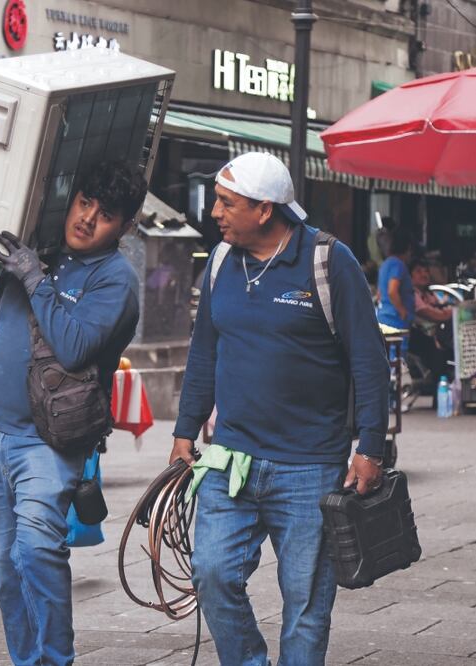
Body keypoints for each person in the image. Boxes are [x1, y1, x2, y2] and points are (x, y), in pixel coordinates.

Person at [171, 152, 389, 666]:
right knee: (212, 573)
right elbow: (204, 351)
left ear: (265, 209)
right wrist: (185, 429)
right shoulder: (223, 261)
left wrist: (371, 447)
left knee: (307, 603)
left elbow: (369, 362)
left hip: (309, 466)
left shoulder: (328, 260)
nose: (215, 213)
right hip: (231, 458)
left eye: (226, 203)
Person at [0, 161, 145, 665]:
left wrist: (34, 276)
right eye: (84, 202)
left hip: (46, 439)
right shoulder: (37, 251)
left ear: (125, 226)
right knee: (1, 561)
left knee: (36, 549)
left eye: (105, 214)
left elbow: (73, 346)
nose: (86, 218)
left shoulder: (115, 280)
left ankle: (55, 659)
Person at [410, 258, 454, 383]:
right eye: (419, 271)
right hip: (421, 339)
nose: (424, 274)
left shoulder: (429, 294)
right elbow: (433, 315)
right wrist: (452, 311)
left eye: (426, 271)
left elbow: (441, 308)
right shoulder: (412, 294)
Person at [377, 229, 415, 331]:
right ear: (407, 249)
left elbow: (379, 294)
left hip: (383, 317)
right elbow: (392, 291)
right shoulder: (398, 265)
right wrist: (403, 311)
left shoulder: (385, 264)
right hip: (395, 319)